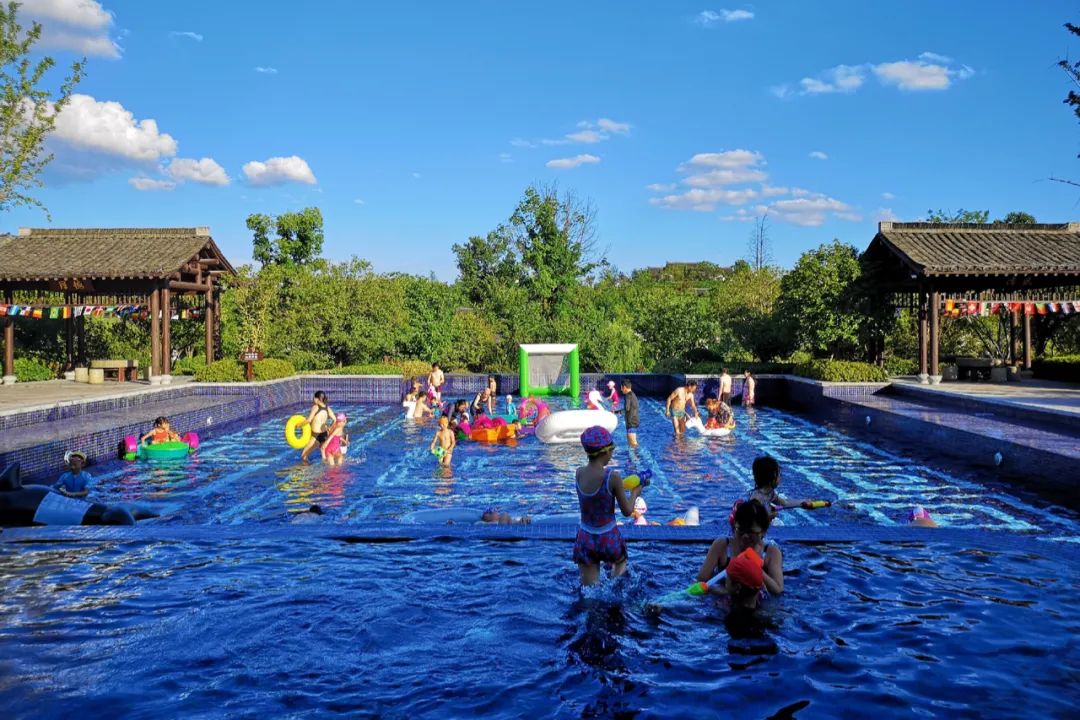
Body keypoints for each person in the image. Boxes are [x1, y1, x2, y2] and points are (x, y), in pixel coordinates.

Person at [573, 426, 642, 586]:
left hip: (586, 538)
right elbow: (627, 511)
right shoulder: (612, 477)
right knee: (619, 566)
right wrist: (635, 493)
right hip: (608, 538)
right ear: (606, 452)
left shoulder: (579, 473)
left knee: (589, 592)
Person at [698, 499, 783, 598]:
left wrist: (757, 569)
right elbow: (702, 582)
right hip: (724, 601)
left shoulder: (770, 553)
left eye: (751, 532)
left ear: (763, 531)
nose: (745, 536)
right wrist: (729, 593)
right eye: (741, 530)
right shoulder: (722, 546)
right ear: (734, 527)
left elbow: (778, 590)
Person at [748, 455, 816, 519]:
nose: (780, 478)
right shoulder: (756, 498)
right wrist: (770, 516)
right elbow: (753, 519)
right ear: (772, 478)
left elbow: (784, 503)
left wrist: (803, 502)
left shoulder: (770, 493)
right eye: (779, 475)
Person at [300, 391, 335, 462]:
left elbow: (309, 420)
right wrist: (330, 428)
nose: (313, 400)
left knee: (304, 456)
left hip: (316, 436)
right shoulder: (327, 408)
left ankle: (309, 471)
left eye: (314, 398)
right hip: (324, 434)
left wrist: (299, 425)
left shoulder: (315, 407)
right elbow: (334, 419)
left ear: (317, 399)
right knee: (324, 455)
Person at [619, 379, 639, 447]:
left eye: (621, 388)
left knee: (633, 444)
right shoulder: (633, 394)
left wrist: (616, 412)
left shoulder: (628, 396)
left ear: (624, 387)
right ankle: (634, 457)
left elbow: (626, 409)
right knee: (632, 443)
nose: (621, 390)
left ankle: (637, 457)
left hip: (631, 423)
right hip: (634, 421)